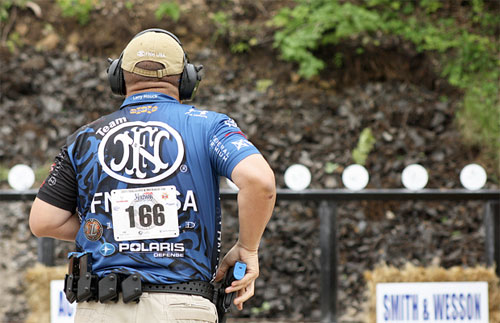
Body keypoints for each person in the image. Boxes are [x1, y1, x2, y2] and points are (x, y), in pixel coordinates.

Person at [29, 28, 276, 323]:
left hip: (100, 308)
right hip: (182, 306)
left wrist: (110, 227)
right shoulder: (209, 127)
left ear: (118, 77)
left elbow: (43, 221)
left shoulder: (84, 138)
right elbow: (259, 182)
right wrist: (247, 248)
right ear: (186, 80)